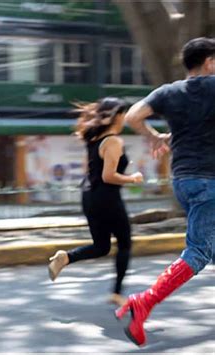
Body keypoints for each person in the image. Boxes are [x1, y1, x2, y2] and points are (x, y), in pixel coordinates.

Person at [115, 37, 215, 347]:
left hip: (182, 181)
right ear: (210, 62)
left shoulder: (169, 92)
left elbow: (132, 116)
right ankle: (145, 301)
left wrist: (156, 136)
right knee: (199, 251)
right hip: (209, 183)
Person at [48, 97, 144, 306]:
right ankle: (117, 293)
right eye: (124, 114)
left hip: (89, 196)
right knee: (125, 243)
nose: (125, 118)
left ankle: (66, 257)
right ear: (117, 116)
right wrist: (132, 178)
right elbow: (108, 176)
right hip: (107, 196)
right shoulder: (113, 141)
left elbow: (91, 171)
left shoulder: (93, 140)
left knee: (101, 246)